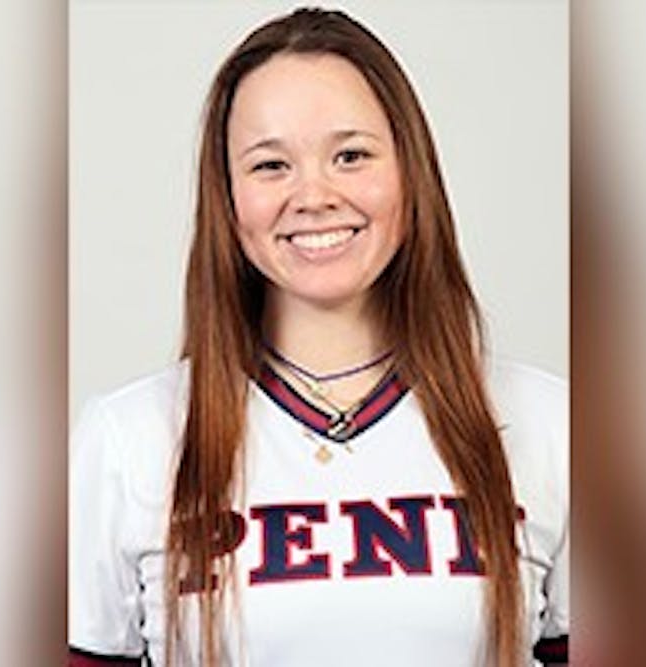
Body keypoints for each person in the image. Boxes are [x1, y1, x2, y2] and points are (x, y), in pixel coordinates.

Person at [69, 8, 567, 666]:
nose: (314, 195)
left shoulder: (550, 425)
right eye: (271, 165)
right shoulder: (127, 439)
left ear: (410, 172)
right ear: (228, 199)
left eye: (351, 156)